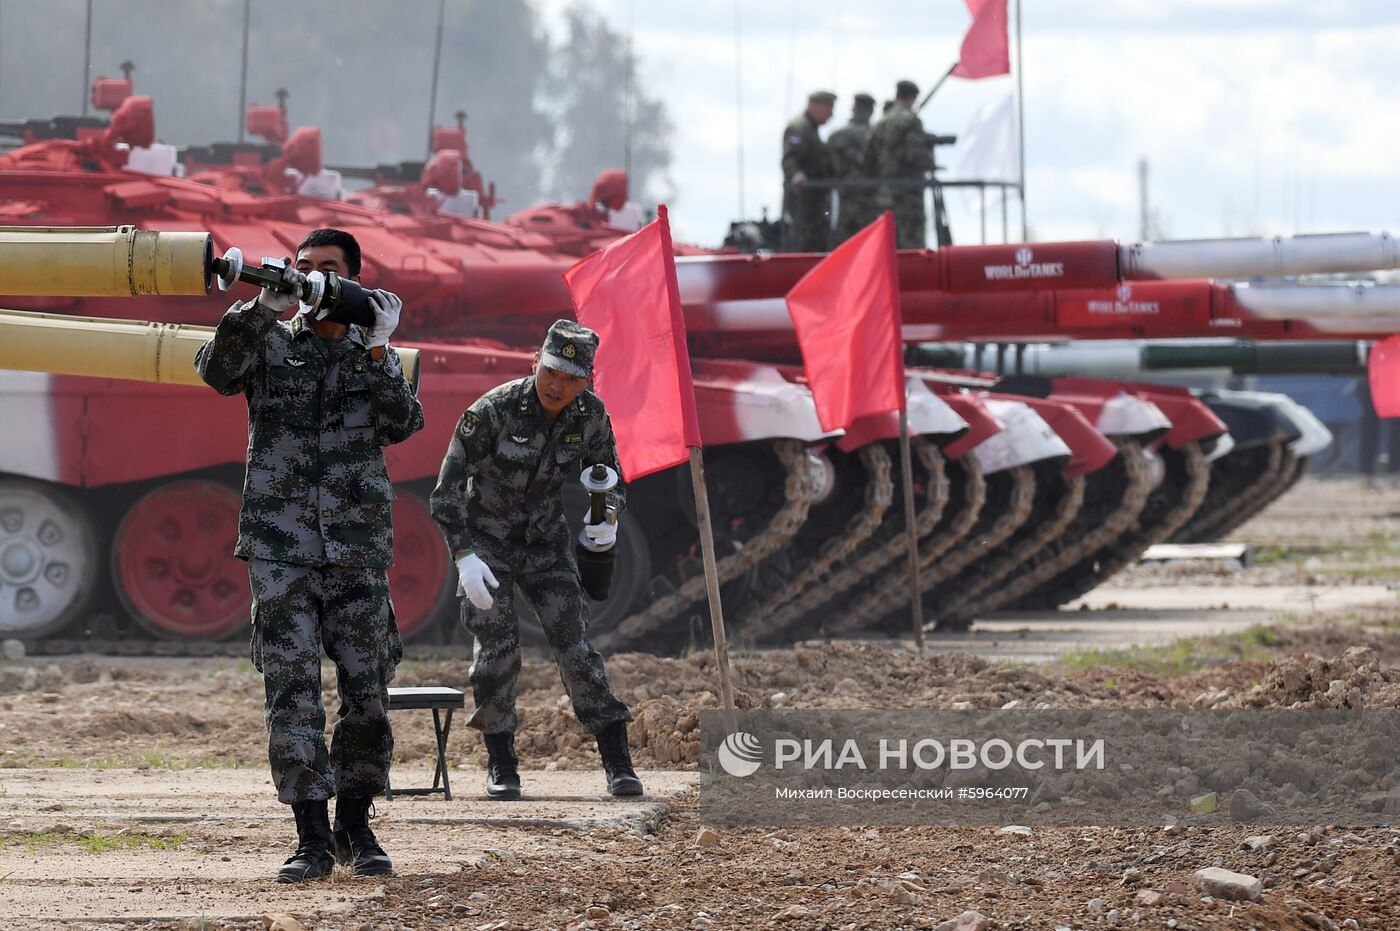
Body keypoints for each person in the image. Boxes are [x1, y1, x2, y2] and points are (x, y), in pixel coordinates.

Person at [194, 228, 424, 883]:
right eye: (303, 268)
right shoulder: (268, 339)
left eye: (327, 270)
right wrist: (257, 306)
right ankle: (311, 837)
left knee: (367, 696)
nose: (312, 280)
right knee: (291, 695)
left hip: (355, 553)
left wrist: (378, 348)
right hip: (281, 549)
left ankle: (356, 824)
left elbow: (401, 423)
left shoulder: (373, 350)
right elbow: (215, 371)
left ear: (352, 278)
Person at [429, 320, 642, 801]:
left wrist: (605, 518)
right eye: (550, 370)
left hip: (545, 543)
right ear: (536, 364)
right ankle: (501, 763)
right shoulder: (493, 411)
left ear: (586, 381)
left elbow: (608, 479)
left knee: (576, 649)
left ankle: (617, 761)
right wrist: (463, 556)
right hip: (485, 545)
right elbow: (445, 494)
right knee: (497, 653)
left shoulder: (590, 415)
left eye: (569, 377)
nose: (555, 384)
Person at [868, 79, 936, 248]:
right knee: (911, 246)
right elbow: (917, 155)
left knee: (889, 243)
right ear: (913, 98)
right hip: (908, 195)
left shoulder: (881, 122)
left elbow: (868, 157)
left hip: (884, 194)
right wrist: (930, 161)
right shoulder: (910, 120)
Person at [780, 89, 836, 252]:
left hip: (814, 203)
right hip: (802, 202)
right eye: (829, 109)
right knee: (802, 244)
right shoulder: (798, 127)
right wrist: (796, 174)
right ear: (816, 106)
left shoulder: (811, 130)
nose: (831, 115)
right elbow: (790, 158)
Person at [827, 92, 877, 244]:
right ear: (871, 111)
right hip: (873, 200)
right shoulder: (877, 134)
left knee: (845, 244)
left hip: (844, 198)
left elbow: (827, 167)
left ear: (854, 108)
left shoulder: (837, 136)